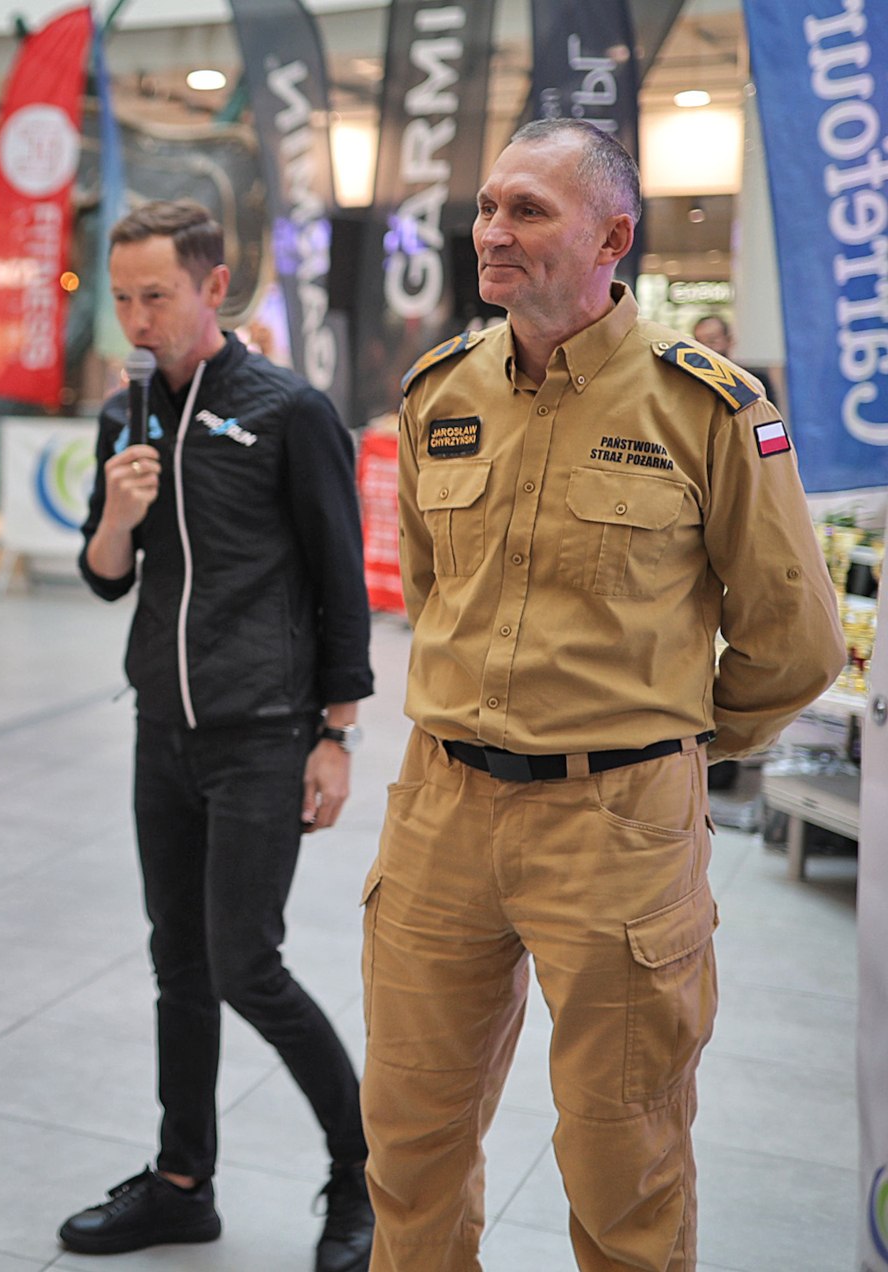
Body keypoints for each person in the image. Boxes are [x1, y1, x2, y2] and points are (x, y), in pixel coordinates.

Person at [372, 118, 844, 1271]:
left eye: (528, 210)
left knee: (623, 1161)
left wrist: (663, 740)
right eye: (488, 207)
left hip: (617, 828)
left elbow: (797, 642)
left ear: (613, 236)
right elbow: (434, 592)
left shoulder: (708, 407)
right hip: (439, 810)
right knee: (408, 1147)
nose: (492, 232)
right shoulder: (439, 391)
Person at [61, 199, 376, 1272]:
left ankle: (361, 1172)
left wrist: (335, 733)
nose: (137, 317)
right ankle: (182, 1182)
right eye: (124, 298)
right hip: (164, 731)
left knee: (249, 965)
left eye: (157, 295)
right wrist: (115, 518)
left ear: (214, 289)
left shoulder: (288, 411)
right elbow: (107, 582)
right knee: (178, 966)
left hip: (263, 733)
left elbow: (342, 579)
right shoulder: (127, 413)